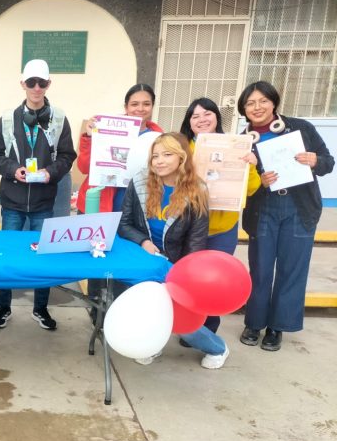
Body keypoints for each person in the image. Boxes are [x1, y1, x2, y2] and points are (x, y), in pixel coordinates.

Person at [118, 132, 229, 369]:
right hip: (144, 259)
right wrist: (143, 242)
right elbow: (124, 224)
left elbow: (196, 240)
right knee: (146, 311)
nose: (159, 161)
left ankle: (218, 348)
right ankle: (152, 345)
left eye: (167, 154)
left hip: (175, 264)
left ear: (181, 157)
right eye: (155, 156)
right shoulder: (139, 182)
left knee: (180, 321)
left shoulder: (197, 189)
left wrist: (182, 273)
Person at [237, 81, 334, 351]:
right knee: (260, 268)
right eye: (250, 103)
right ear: (243, 109)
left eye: (263, 101)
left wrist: (315, 161)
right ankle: (254, 323)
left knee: (292, 269)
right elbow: (238, 182)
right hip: (263, 208)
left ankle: (277, 327)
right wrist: (258, 179)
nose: (257, 107)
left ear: (274, 103)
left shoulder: (301, 128)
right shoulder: (242, 141)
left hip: (299, 207)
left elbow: (328, 162)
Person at [0, 59, 76, 331]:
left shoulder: (59, 119)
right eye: (31, 82)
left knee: (43, 258)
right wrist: (13, 170)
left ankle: (41, 308)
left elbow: (68, 156)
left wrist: (51, 172)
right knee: (6, 256)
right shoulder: (7, 119)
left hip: (43, 202)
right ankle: (3, 307)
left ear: (49, 84)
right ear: (22, 84)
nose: (36, 88)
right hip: (12, 202)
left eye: (42, 83)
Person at [77, 84, 164, 308]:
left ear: (152, 106)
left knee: (127, 261)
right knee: (97, 260)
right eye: (134, 104)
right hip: (101, 205)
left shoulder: (159, 137)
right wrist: (88, 136)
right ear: (126, 106)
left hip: (134, 211)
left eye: (146, 104)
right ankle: (97, 311)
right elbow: (84, 166)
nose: (140, 109)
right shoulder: (105, 128)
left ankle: (121, 308)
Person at [179, 97, 261, 334]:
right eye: (195, 116)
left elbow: (251, 188)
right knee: (189, 279)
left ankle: (208, 330)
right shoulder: (181, 149)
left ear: (217, 117)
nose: (202, 119)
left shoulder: (235, 146)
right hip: (189, 227)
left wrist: (250, 165)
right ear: (189, 122)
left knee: (215, 280)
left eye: (207, 114)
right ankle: (188, 328)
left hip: (222, 229)